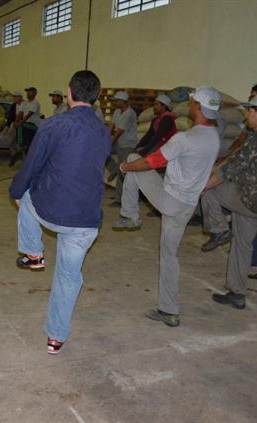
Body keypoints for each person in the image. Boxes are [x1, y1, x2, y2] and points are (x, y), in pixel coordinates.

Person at [9, 70, 111, 354]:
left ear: (69, 93)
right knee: (68, 276)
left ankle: (33, 253)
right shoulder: (103, 131)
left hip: (53, 210)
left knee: (25, 196)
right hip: (87, 221)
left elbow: (32, 165)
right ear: (97, 97)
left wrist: (15, 191)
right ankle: (56, 338)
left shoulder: (54, 125)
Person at [119, 86, 222, 327]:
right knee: (169, 254)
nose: (191, 105)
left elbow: (151, 162)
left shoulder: (185, 138)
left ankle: (129, 215)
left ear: (198, 107)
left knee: (135, 161)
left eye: (193, 101)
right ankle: (169, 310)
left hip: (171, 199)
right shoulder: (214, 138)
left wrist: (124, 168)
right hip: (188, 204)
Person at [201, 82, 257, 280]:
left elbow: (229, 171)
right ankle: (237, 292)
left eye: (250, 109)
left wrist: (201, 186)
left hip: (251, 197)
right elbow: (238, 158)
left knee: (211, 190)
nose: (246, 113)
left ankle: (218, 230)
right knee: (242, 246)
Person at [112, 93, 178, 230]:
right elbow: (148, 137)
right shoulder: (156, 120)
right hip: (159, 152)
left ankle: (131, 214)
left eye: (156, 104)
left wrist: (143, 155)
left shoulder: (167, 120)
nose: (153, 107)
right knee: (132, 165)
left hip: (167, 154)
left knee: (136, 168)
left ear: (164, 106)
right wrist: (135, 150)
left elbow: (157, 139)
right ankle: (129, 214)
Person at [107, 91, 137, 205]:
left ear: (123, 102)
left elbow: (119, 132)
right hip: (119, 143)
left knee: (123, 170)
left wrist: (109, 143)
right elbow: (111, 126)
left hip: (128, 146)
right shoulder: (117, 112)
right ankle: (113, 169)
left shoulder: (129, 114)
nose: (115, 103)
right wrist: (106, 140)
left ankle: (119, 199)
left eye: (117, 101)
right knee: (104, 152)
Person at [10, 87, 42, 166]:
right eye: (27, 92)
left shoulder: (35, 103)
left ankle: (21, 146)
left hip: (33, 126)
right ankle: (23, 149)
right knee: (28, 146)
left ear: (34, 93)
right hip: (25, 127)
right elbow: (20, 114)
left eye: (30, 92)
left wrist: (20, 123)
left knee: (21, 126)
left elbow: (28, 115)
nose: (28, 94)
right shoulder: (24, 103)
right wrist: (15, 122)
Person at [5, 91, 24, 166]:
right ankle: (14, 156)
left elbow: (24, 115)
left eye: (16, 96)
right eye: (14, 97)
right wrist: (7, 127)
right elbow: (10, 117)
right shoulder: (13, 105)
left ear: (20, 97)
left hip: (22, 125)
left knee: (21, 143)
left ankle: (23, 160)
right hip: (14, 124)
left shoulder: (25, 105)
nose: (14, 98)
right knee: (11, 141)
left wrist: (18, 122)